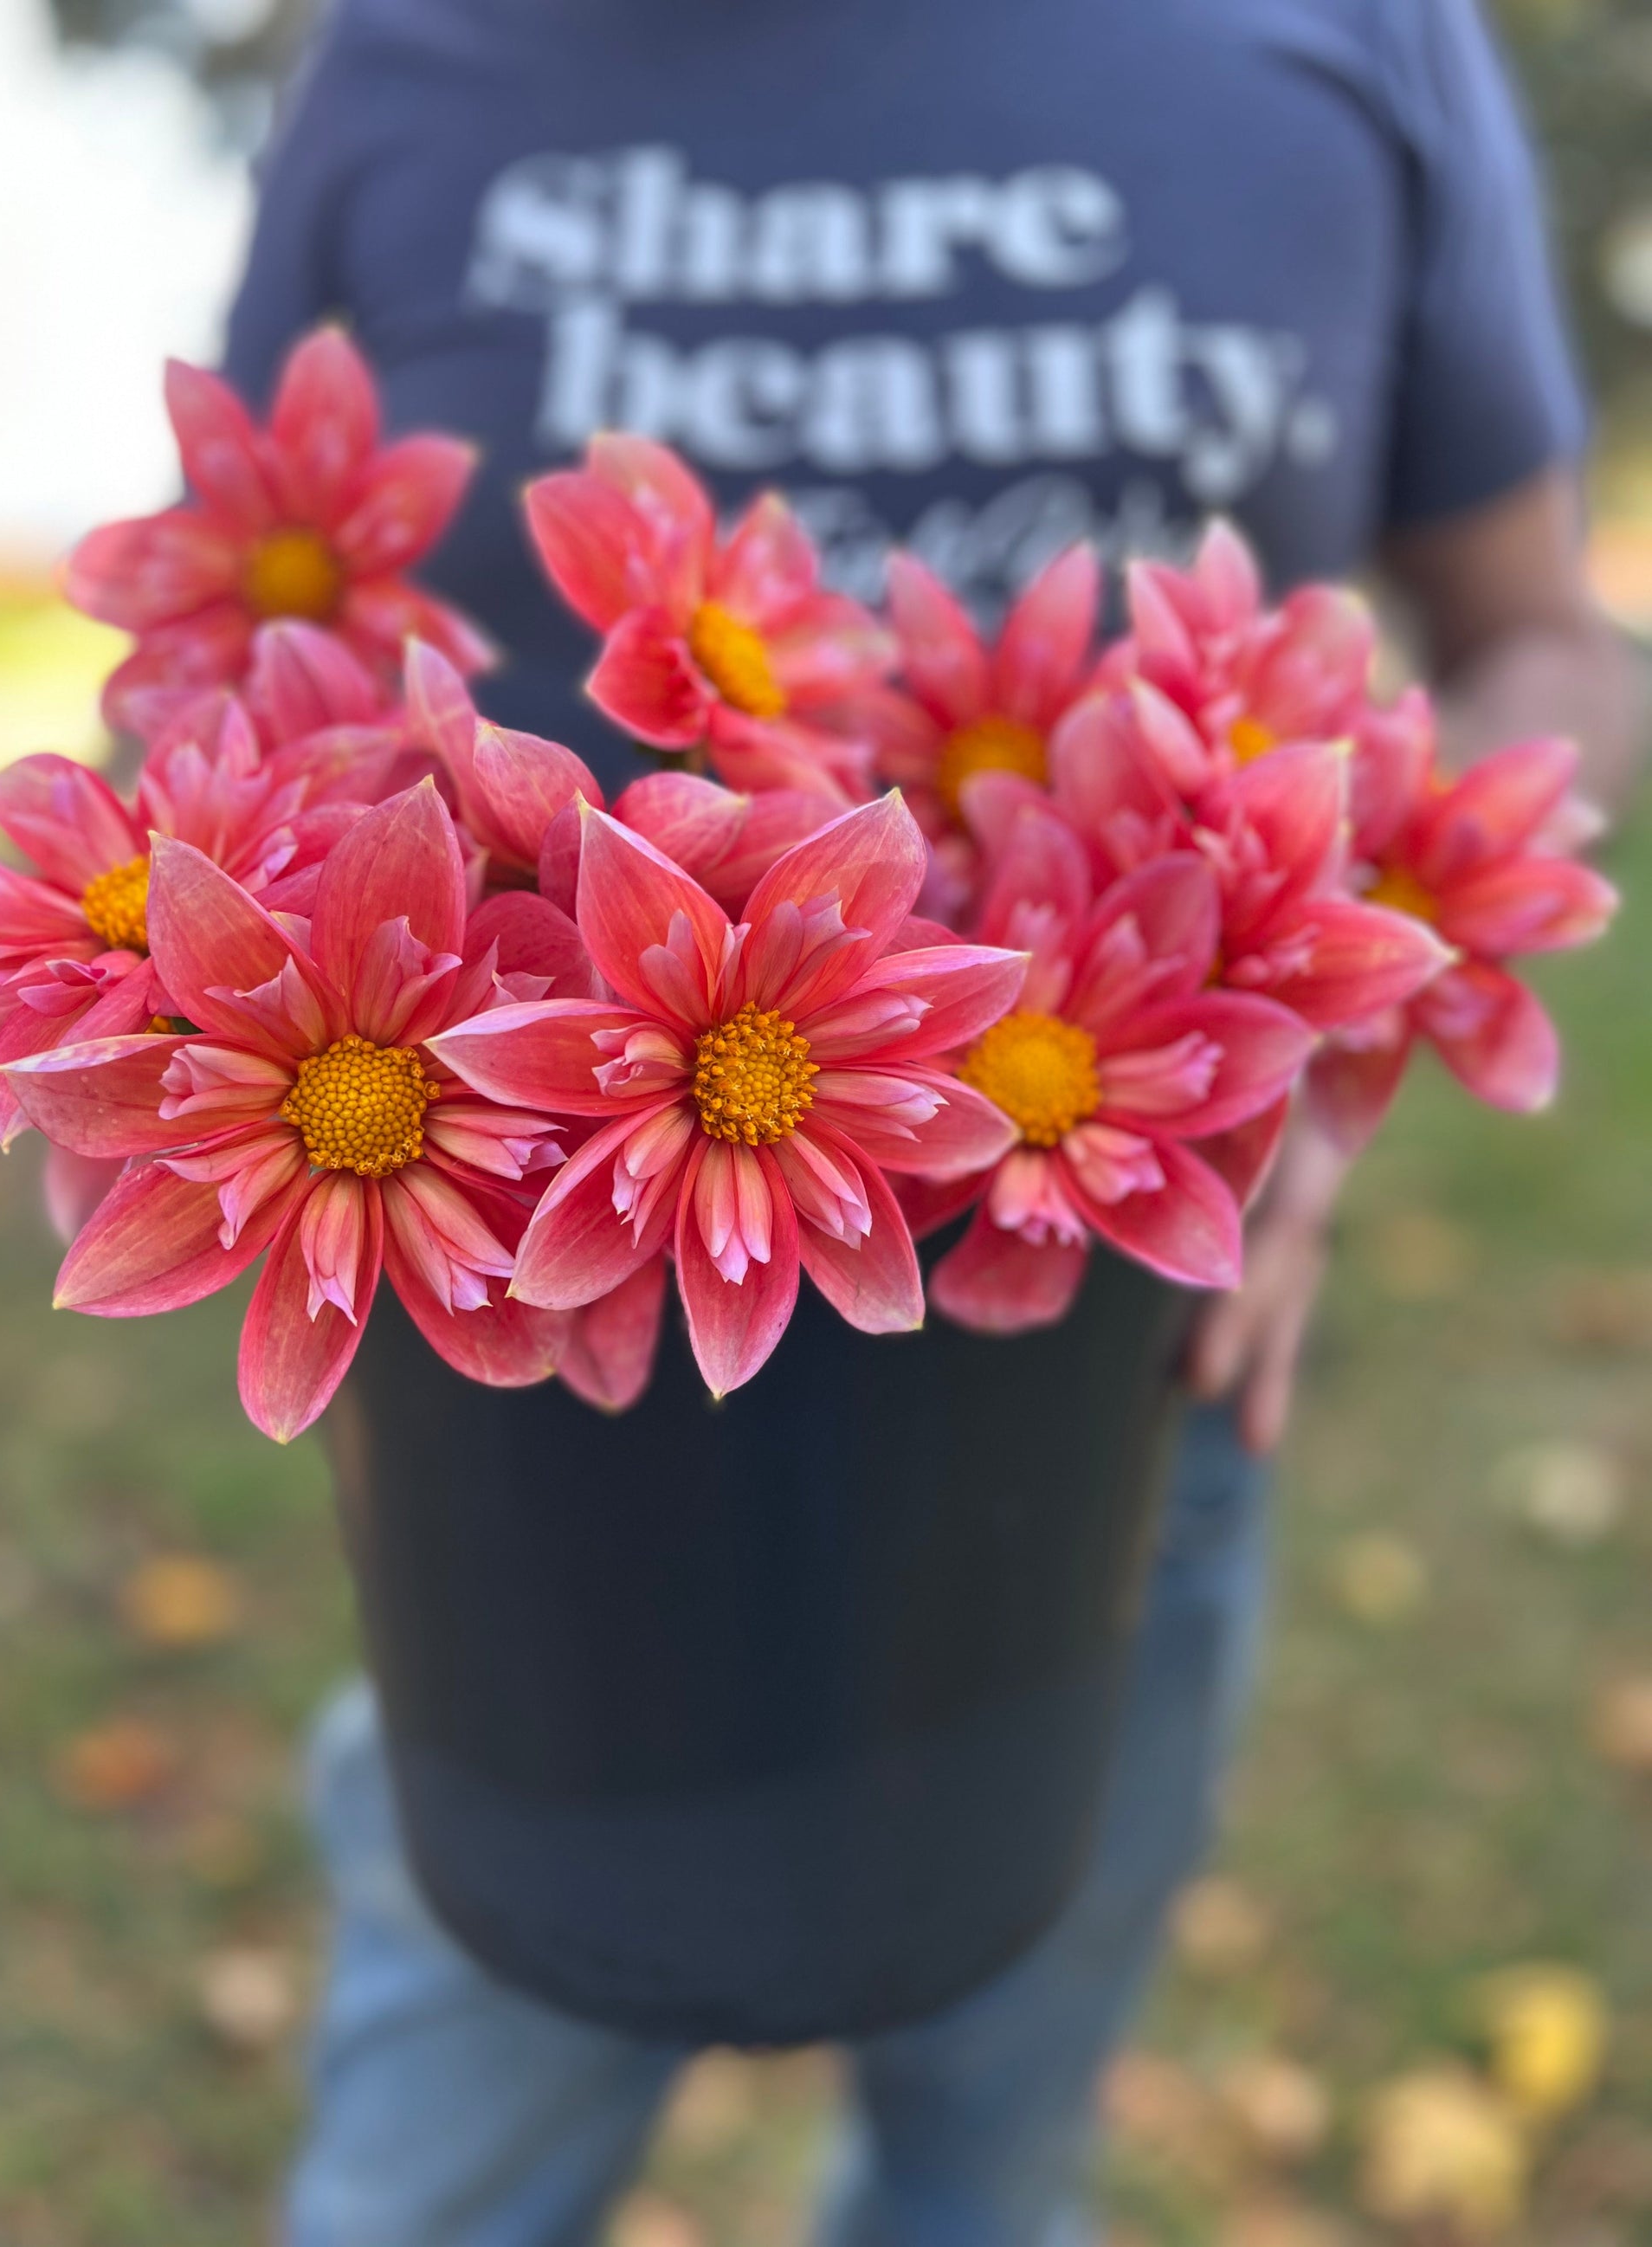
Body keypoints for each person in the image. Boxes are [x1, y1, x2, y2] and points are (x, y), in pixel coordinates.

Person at [222, 1, 1641, 2240]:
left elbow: (1543, 640)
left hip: (1095, 1416)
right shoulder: (403, 52)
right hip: (520, 1417)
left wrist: (1335, 1008)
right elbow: (250, 636)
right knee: (430, 2169)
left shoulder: (1357, 33)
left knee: (993, 2164)